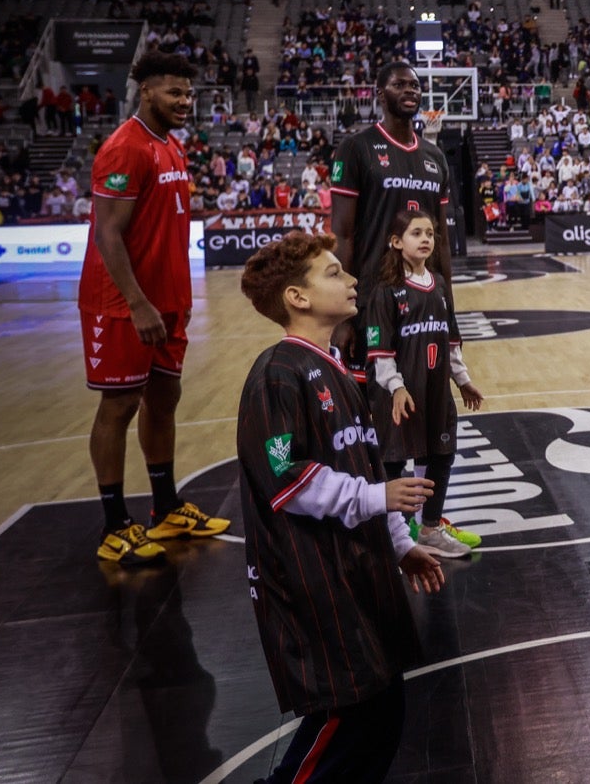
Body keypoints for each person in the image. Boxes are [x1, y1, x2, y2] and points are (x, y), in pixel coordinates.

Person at [236, 231, 445, 782]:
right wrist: (378, 498)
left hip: (358, 570)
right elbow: (288, 477)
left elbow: (368, 467)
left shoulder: (341, 372)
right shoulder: (277, 373)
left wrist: (400, 544)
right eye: (333, 273)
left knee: (382, 710)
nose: (351, 279)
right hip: (312, 581)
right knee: (347, 714)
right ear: (297, 298)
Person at [81, 51, 230, 565]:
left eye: (189, 93)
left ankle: (165, 509)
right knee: (119, 405)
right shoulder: (124, 148)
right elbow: (107, 233)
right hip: (123, 304)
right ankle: (113, 525)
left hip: (166, 303)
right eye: (174, 92)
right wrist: (138, 302)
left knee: (164, 397)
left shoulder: (171, 146)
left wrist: (175, 301)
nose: (185, 101)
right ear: (146, 91)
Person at [365, 210, 485, 557]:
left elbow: (451, 341)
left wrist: (462, 380)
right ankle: (395, 533)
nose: (425, 239)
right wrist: (396, 387)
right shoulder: (386, 291)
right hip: (399, 394)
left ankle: (429, 528)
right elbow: (380, 351)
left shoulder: (440, 284)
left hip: (435, 390)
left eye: (430, 233)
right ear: (396, 241)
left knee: (441, 454)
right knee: (393, 461)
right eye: (416, 233)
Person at [330, 61, 457, 372]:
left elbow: (441, 241)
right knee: (376, 395)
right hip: (373, 300)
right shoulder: (355, 148)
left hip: (426, 302)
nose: (409, 90)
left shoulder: (435, 157)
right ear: (380, 94)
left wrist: (450, 310)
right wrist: (342, 315)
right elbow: (342, 236)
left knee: (425, 394)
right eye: (399, 85)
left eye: (414, 85)